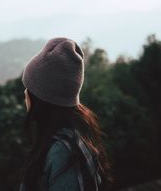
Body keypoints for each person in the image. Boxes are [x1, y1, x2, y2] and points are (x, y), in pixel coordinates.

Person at [19, 37, 111, 191]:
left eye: (28, 88)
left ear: (42, 99)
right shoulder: (73, 137)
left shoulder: (63, 153)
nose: (25, 93)